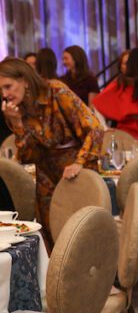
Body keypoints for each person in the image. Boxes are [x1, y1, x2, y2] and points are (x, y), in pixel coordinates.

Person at [0, 57, 103, 232]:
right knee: (51, 236)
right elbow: (27, 157)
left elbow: (94, 128)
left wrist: (79, 162)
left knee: (82, 234)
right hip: (46, 181)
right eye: (1, 89)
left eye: (8, 86)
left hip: (77, 173)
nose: (4, 94)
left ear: (25, 81)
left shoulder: (56, 91)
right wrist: (17, 124)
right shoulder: (16, 111)